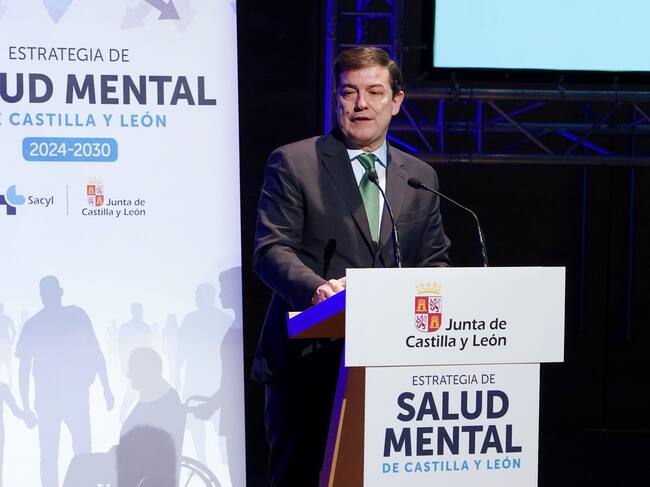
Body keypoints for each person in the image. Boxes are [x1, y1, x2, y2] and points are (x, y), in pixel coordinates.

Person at [251, 47, 451, 486]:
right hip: (309, 362)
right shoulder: (296, 162)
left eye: (375, 92)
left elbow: (434, 261)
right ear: (336, 98)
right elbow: (271, 250)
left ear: (396, 101)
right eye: (349, 92)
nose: (361, 104)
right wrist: (316, 290)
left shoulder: (419, 176)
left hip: (391, 365)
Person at [15, 276, 114, 487]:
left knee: (56, 456)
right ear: (60, 291)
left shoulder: (37, 324)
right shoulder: (74, 317)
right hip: (66, 398)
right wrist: (106, 388)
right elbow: (95, 352)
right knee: (75, 453)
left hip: (58, 399)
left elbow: (24, 370)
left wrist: (26, 405)